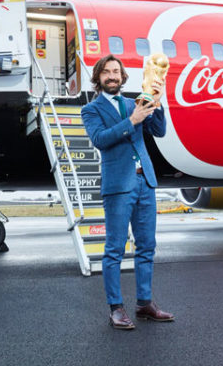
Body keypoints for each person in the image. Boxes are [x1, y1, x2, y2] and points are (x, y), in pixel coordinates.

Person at [81, 54, 174, 330]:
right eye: (106, 72)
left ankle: (144, 304)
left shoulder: (136, 100)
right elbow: (100, 140)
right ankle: (116, 308)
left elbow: (160, 131)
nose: (112, 76)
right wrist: (132, 120)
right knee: (114, 250)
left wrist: (158, 101)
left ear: (123, 77)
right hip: (119, 186)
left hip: (145, 181)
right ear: (98, 78)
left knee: (147, 247)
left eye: (116, 72)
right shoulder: (92, 110)